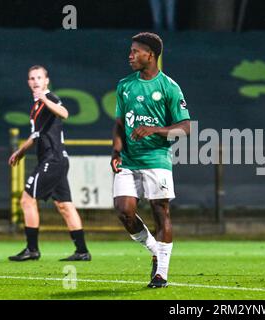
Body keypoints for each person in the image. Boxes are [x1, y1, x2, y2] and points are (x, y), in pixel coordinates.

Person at [111, 32, 190, 288]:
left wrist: (155, 130)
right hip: (129, 160)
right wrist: (116, 151)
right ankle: (155, 249)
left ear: (151, 55)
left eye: (136, 51)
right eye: (130, 51)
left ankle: (161, 274)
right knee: (124, 211)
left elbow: (186, 127)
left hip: (157, 158)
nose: (130, 55)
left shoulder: (169, 86)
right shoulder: (125, 85)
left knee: (160, 211)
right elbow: (120, 123)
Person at [8, 65, 91, 262]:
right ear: (28, 82)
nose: (35, 81)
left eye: (39, 77)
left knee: (27, 200)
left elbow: (64, 113)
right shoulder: (36, 107)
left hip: (52, 159)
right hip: (58, 160)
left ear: (46, 81)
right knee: (65, 205)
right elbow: (35, 135)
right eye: (32, 78)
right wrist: (20, 151)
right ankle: (82, 251)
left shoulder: (49, 98)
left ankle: (32, 249)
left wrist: (45, 98)